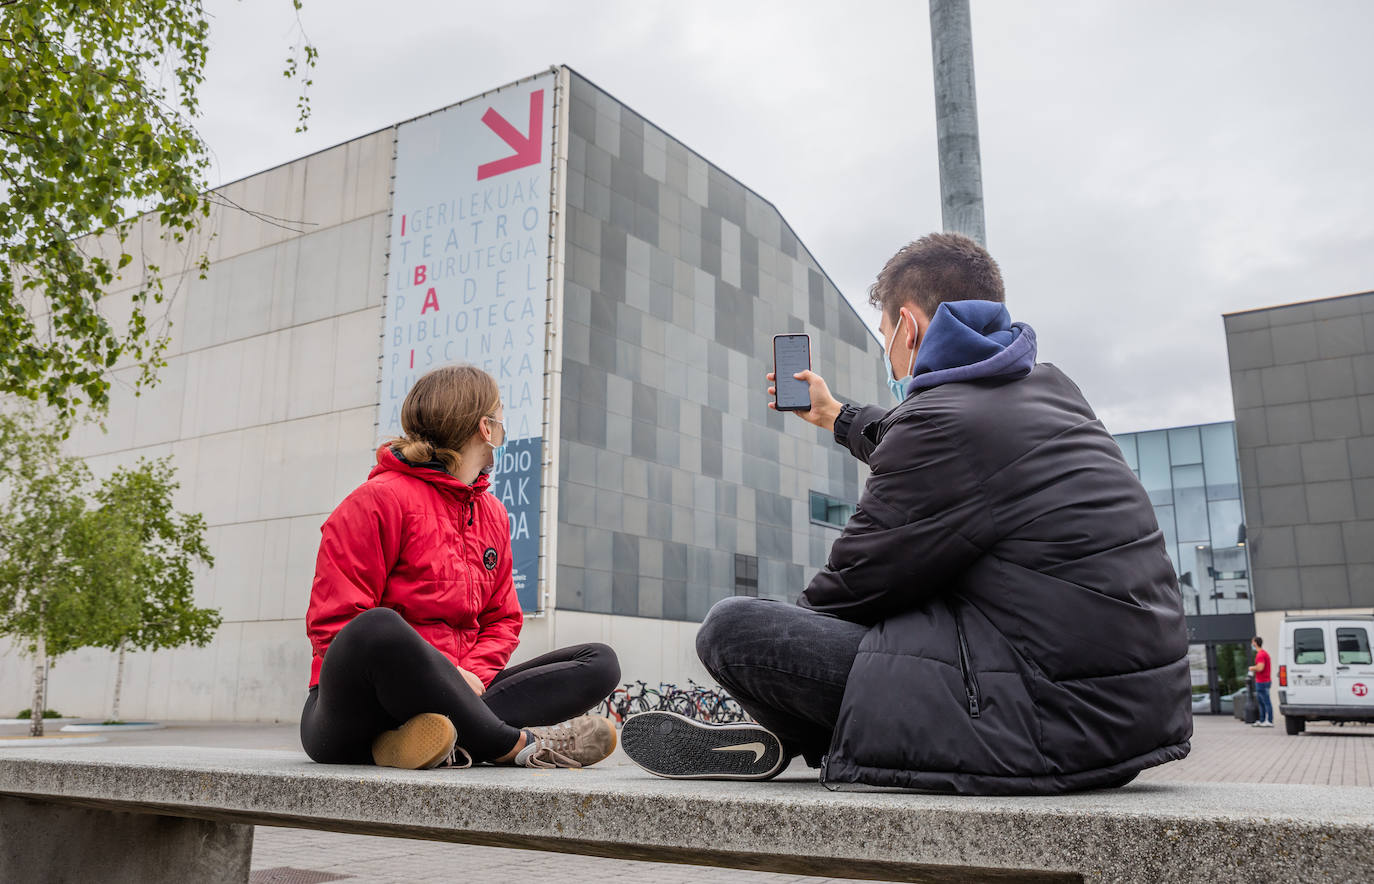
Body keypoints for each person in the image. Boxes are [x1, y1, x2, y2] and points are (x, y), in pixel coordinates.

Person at [620, 232, 1193, 794]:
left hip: (1049, 721)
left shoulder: (943, 426)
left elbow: (849, 591)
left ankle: (783, 733)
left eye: (884, 335)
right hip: (1125, 716)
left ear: (908, 327)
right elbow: (945, 451)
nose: (887, 351)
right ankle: (788, 735)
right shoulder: (1049, 393)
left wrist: (774, 677)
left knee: (734, 630)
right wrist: (838, 417)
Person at [301, 365, 620, 770]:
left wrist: (469, 677)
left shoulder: (493, 514)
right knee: (376, 627)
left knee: (599, 661)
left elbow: (503, 620)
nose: (504, 424)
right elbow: (335, 626)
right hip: (356, 714)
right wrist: (446, 676)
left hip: (463, 695)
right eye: (500, 413)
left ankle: (429, 739)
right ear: (486, 427)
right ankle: (516, 745)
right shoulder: (375, 501)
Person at [1248, 636, 1273, 727]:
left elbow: (1260, 667)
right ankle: (1262, 720)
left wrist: (1251, 668)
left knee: (1266, 702)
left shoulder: (1261, 654)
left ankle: (1269, 721)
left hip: (1263, 681)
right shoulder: (1262, 654)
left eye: (1252, 642)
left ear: (1255, 643)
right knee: (1261, 702)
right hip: (1262, 681)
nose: (1252, 644)